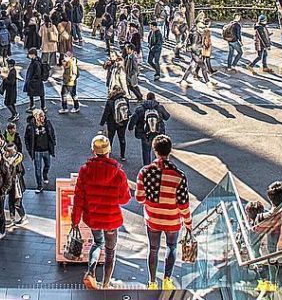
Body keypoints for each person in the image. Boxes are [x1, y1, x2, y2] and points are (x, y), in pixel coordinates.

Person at [71, 135, 132, 289]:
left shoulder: (85, 170)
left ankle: (90, 273)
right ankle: (105, 284)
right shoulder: (118, 173)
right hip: (111, 219)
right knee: (110, 251)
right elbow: (124, 199)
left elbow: (79, 197)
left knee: (97, 243)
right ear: (109, 150)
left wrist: (75, 220)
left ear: (93, 151)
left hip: (93, 217)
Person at [136, 135, 193, 290]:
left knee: (153, 249)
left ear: (155, 151)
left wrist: (152, 202)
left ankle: (152, 282)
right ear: (170, 151)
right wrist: (188, 223)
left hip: (152, 219)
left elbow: (139, 198)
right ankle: (167, 280)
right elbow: (183, 204)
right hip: (173, 221)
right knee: (171, 247)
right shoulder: (179, 175)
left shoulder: (145, 172)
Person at [128, 92, 171, 165]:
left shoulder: (140, 109)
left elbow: (134, 119)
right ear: (154, 98)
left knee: (146, 151)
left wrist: (130, 127)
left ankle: (147, 167)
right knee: (158, 149)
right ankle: (158, 165)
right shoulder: (159, 107)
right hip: (158, 132)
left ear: (146, 98)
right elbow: (167, 117)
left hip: (145, 133)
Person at [24, 108, 57, 191]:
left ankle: (45, 174)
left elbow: (52, 133)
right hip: (37, 151)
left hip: (46, 149)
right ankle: (39, 185)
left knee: (47, 165)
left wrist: (53, 142)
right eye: (41, 116)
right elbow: (27, 138)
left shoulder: (47, 124)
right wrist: (29, 149)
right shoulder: (31, 126)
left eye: (43, 116)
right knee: (37, 169)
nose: (43, 118)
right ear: (36, 117)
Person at [100, 85, 132, 162]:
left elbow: (106, 113)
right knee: (122, 138)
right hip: (123, 122)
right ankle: (122, 155)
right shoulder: (125, 99)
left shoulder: (110, 101)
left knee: (110, 138)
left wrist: (102, 123)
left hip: (112, 122)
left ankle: (108, 153)